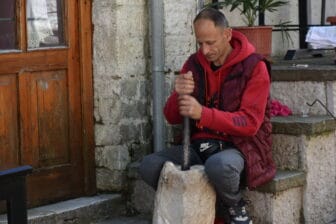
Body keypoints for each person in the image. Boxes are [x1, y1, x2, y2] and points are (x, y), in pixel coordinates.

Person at [139, 7, 276, 224]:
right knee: (149, 165)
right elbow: (172, 116)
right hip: (198, 146)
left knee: (219, 167)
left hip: (239, 147)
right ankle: (199, 202)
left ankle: (235, 208)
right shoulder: (194, 63)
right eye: (200, 43)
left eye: (210, 43)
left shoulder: (254, 66)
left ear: (227, 35)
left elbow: (249, 123)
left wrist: (203, 113)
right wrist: (180, 94)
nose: (204, 50)